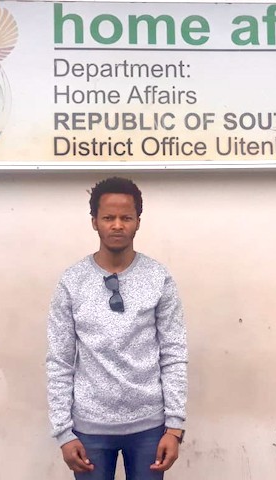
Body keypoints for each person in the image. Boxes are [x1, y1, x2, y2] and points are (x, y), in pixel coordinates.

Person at [46, 177, 188, 480]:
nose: (117, 225)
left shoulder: (158, 278)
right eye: (108, 217)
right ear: (94, 222)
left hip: (150, 427)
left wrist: (174, 428)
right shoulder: (72, 281)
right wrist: (64, 432)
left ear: (138, 222)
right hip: (89, 429)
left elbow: (174, 353)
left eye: (126, 217)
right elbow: (59, 360)